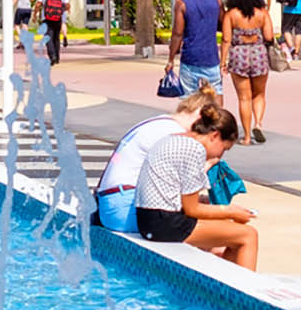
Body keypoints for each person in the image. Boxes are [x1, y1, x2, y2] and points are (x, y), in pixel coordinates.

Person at [133, 105, 259, 269]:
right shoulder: (194, 149)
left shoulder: (174, 138)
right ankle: (245, 292)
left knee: (231, 231)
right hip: (165, 225)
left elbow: (176, 195)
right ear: (214, 136)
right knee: (248, 235)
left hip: (149, 220)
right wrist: (230, 210)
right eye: (224, 149)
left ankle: (227, 283)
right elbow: (192, 210)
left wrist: (217, 209)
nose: (219, 156)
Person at [94, 85, 220, 232]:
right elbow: (185, 184)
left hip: (110, 203)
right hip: (124, 208)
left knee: (208, 227)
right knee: (218, 229)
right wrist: (209, 164)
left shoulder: (159, 122)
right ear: (199, 116)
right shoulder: (175, 134)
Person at [220, 0, 274, 145]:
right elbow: (269, 37)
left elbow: (226, 40)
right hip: (258, 54)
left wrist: (223, 62)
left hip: (239, 55)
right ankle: (258, 123)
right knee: (259, 94)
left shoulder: (231, 15)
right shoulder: (262, 13)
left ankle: (247, 137)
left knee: (244, 98)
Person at [167, 0, 224, 95]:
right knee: (216, 94)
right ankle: (218, 115)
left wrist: (171, 60)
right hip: (211, 58)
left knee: (188, 97)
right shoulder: (217, 1)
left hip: (190, 58)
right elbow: (223, 25)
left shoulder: (182, 4)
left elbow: (177, 34)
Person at [38, 0, 69, 64]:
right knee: (56, 37)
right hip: (58, 18)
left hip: (47, 18)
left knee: (48, 37)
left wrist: (36, 13)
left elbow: (38, 4)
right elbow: (67, 5)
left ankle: (52, 56)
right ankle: (57, 57)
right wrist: (61, 10)